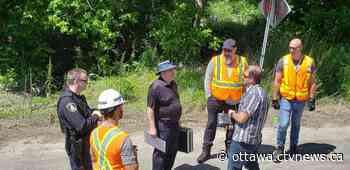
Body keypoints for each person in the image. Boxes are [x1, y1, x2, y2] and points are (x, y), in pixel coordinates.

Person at [197, 39, 248, 163]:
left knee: (231, 126)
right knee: (211, 124)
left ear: (235, 50)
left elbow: (246, 80)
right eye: (224, 50)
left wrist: (245, 97)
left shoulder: (243, 61)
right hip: (216, 100)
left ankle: (229, 149)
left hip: (234, 101)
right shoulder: (215, 61)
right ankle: (206, 151)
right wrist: (208, 96)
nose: (226, 53)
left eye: (229, 50)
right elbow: (207, 79)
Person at [272, 38, 317, 159]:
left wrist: (312, 98)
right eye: (290, 47)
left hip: (301, 99)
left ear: (300, 48)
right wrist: (275, 98)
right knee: (283, 124)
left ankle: (293, 147)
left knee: (296, 124)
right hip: (286, 98)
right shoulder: (283, 60)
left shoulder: (309, 62)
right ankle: (279, 148)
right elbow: (277, 80)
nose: (291, 50)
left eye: (294, 48)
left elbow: (312, 82)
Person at [57, 68, 102, 170]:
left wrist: (100, 111)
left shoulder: (78, 98)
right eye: (85, 81)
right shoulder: (67, 101)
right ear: (76, 81)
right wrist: (95, 116)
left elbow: (87, 112)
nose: (87, 83)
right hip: (78, 147)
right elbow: (81, 126)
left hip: (85, 144)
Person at [227, 65, 269, 170]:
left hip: (243, 141)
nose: (243, 77)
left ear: (252, 78)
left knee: (234, 167)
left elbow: (242, 118)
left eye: (245, 75)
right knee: (252, 166)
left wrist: (231, 113)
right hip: (253, 140)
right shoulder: (261, 92)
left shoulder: (254, 93)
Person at [90, 89, 138, 170]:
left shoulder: (94, 133)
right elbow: (132, 168)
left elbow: (93, 159)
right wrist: (134, 155)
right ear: (117, 109)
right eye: (121, 106)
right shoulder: (122, 138)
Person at [147, 60, 182, 170]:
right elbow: (150, 109)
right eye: (170, 70)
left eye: (173, 69)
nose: (173, 72)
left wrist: (178, 120)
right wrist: (152, 128)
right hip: (163, 126)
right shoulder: (155, 87)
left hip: (174, 124)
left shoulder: (173, 84)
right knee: (161, 154)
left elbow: (175, 102)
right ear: (163, 73)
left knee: (173, 150)